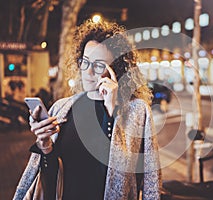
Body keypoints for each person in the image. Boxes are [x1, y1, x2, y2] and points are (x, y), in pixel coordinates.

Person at [13, 19, 161, 200]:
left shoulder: (137, 112)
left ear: (116, 69)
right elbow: (52, 179)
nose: (89, 72)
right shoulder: (61, 108)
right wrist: (45, 147)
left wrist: (111, 114)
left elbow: (147, 181)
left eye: (98, 65)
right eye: (85, 62)